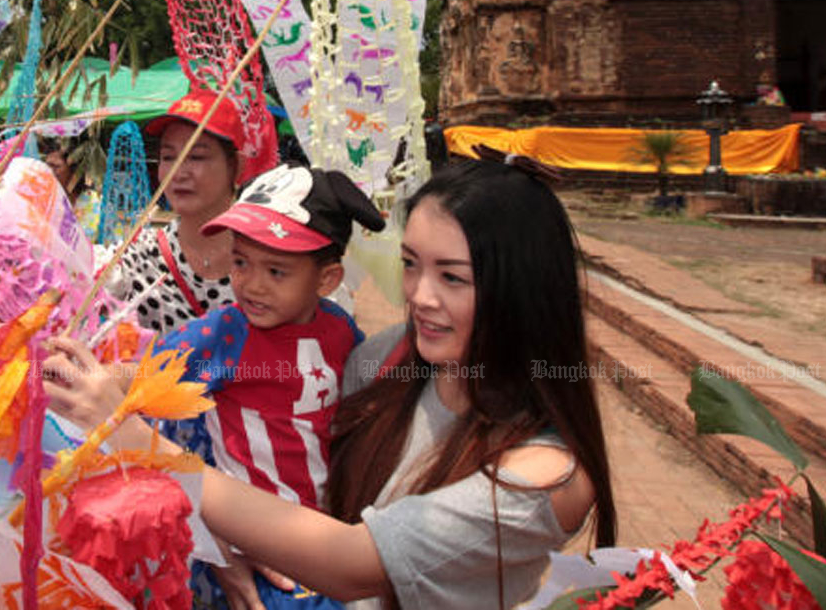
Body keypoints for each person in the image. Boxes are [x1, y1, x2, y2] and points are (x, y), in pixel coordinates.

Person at [45, 157, 617, 610]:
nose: (420, 296)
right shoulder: (387, 359)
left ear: (522, 289)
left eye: (452, 277)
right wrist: (218, 545)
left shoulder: (547, 477)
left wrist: (138, 446)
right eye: (412, 265)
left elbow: (348, 563)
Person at [158, 164, 386, 609]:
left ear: (327, 280)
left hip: (325, 535)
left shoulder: (340, 332)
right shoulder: (223, 334)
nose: (251, 285)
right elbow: (143, 388)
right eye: (240, 262)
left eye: (276, 271)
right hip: (256, 552)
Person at [105, 88, 247, 336]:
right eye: (168, 157)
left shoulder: (268, 260)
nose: (179, 173)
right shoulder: (136, 258)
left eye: (197, 157)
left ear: (237, 166)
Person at [41, 135, 101, 239]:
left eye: (55, 166)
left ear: (74, 171)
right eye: (47, 165)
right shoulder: (44, 200)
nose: (49, 171)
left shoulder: (94, 203)